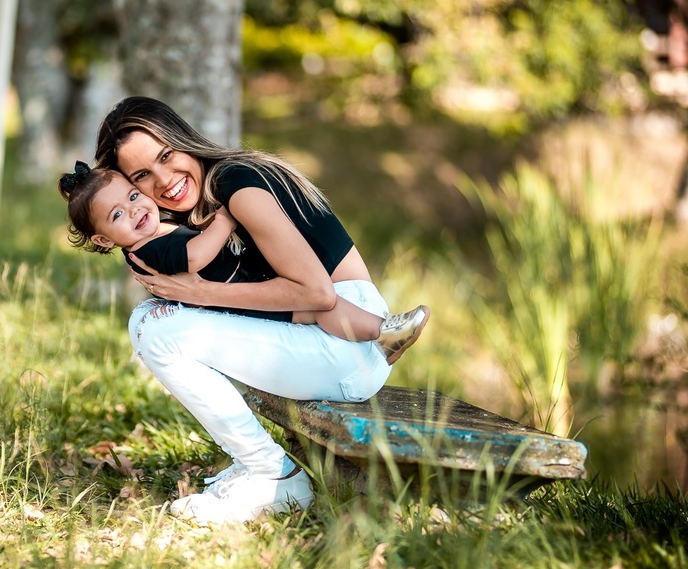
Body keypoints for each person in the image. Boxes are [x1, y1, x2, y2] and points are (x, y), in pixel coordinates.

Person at [91, 96, 429, 524]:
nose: (164, 181)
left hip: (343, 338)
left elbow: (318, 296)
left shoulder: (237, 186)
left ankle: (273, 475)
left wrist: (200, 293)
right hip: (334, 339)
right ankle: (260, 468)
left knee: (153, 328)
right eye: (142, 176)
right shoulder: (205, 201)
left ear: (183, 140)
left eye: (166, 155)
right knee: (151, 321)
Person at [57, 160, 429, 355]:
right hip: (244, 301)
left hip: (247, 289)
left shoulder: (155, 232)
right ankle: (382, 333)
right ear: (104, 240)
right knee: (321, 309)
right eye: (118, 215)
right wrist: (223, 218)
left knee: (320, 309)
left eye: (133, 197)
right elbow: (197, 255)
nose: (134, 210)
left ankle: (381, 332)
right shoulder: (148, 248)